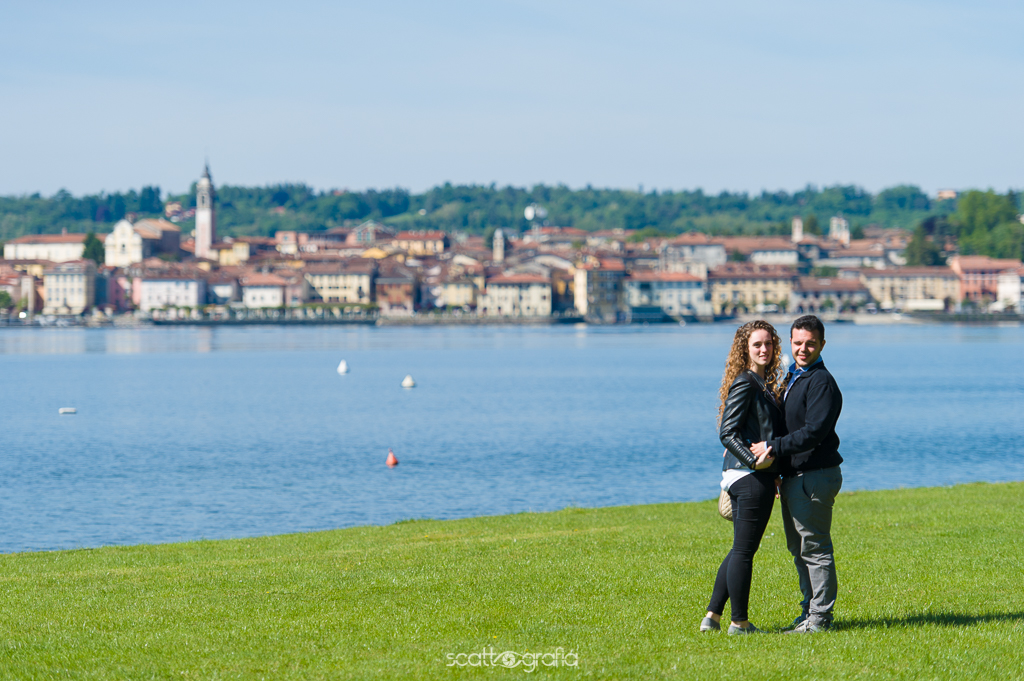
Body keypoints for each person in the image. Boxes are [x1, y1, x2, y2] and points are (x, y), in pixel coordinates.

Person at [752, 314, 843, 633]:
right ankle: (809, 611)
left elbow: (813, 432)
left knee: (815, 549)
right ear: (790, 343)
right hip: (795, 477)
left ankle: (820, 619)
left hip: (814, 475)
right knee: (799, 549)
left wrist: (772, 447)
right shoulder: (794, 375)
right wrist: (778, 469)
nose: (803, 349)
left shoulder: (821, 382)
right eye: (798, 343)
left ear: (822, 345)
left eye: (811, 344)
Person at [701, 320, 787, 635]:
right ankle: (739, 622)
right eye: (757, 345)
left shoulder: (761, 383)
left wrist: (772, 471)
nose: (764, 349)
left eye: (769, 343)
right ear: (745, 349)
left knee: (741, 547)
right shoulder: (747, 382)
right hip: (749, 477)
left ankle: (712, 617)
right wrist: (755, 462)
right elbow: (727, 432)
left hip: (750, 476)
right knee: (744, 551)